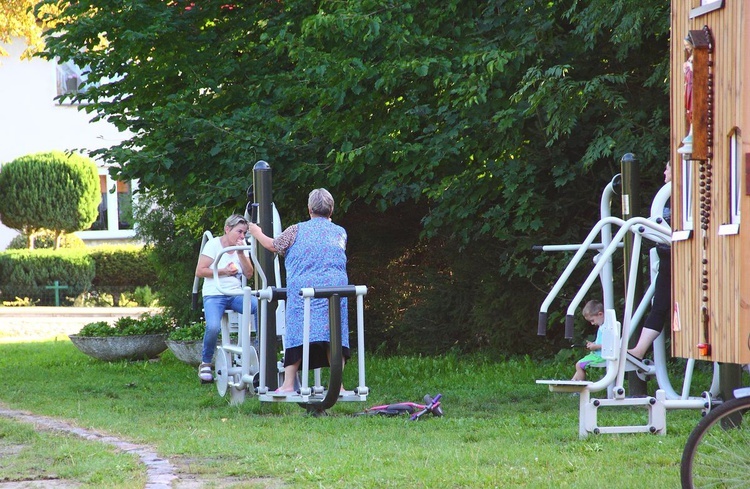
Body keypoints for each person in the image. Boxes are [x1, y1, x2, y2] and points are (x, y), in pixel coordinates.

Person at [247, 188, 349, 394]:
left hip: (304, 292)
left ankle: (287, 385)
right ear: (331, 210)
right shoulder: (340, 232)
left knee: (297, 333)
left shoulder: (296, 230)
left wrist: (256, 231)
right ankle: (338, 385)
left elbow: (274, 245)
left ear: (310, 209)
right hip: (335, 290)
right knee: (334, 336)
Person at [195, 214, 258, 383]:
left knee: (259, 306)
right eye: (239, 232)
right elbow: (200, 271)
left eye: (244, 233)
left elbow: (249, 273)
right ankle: (206, 363)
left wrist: (241, 254)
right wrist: (223, 271)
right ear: (227, 229)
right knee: (214, 326)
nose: (242, 236)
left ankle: (259, 349)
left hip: (234, 293)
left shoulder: (242, 247)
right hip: (214, 293)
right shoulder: (213, 244)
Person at [628, 161, 672, 360]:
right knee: (659, 306)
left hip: (681, 257)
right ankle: (638, 350)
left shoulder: (684, 195)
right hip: (666, 256)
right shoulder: (667, 197)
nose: (664, 171)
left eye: (667, 168)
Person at [572, 300, 606, 381]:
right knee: (579, 365)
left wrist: (596, 346)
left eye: (592, 320)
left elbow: (611, 345)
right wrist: (594, 344)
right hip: (598, 355)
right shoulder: (602, 326)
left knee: (579, 365)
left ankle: (577, 388)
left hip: (602, 357)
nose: (592, 323)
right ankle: (573, 383)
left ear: (600, 314)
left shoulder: (607, 327)